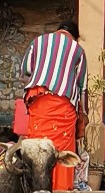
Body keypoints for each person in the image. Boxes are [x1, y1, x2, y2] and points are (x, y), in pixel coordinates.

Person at [20, 16, 86, 155]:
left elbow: (25, 70)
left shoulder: (38, 41)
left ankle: (36, 176)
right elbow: (82, 86)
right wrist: (84, 113)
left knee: (37, 149)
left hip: (38, 102)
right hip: (63, 106)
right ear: (76, 37)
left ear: (58, 31)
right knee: (62, 152)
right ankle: (61, 177)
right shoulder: (78, 49)